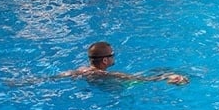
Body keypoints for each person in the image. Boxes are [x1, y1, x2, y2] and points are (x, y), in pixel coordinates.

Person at [57, 41, 189, 84]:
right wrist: (167, 77)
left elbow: (60, 76)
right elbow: (141, 80)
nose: (114, 57)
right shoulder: (108, 75)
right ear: (105, 60)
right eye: (112, 55)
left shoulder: (81, 70)